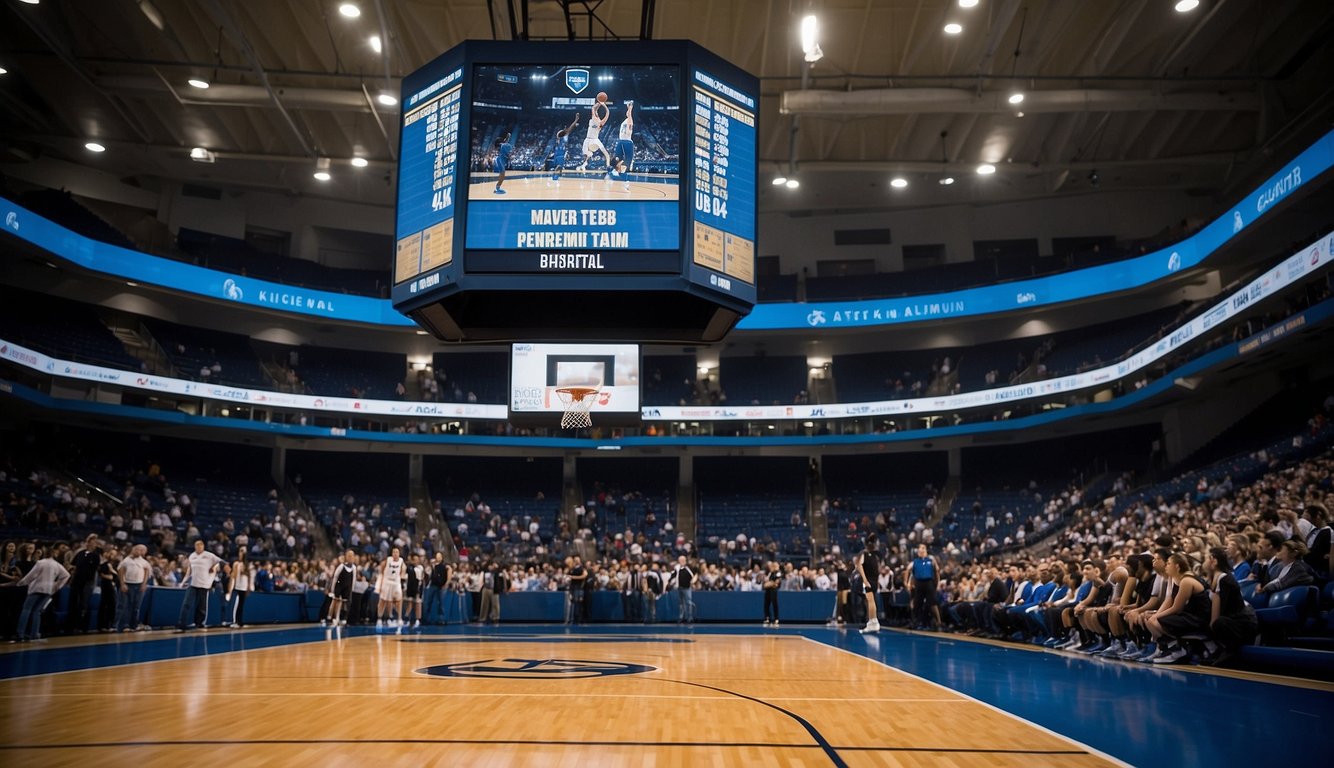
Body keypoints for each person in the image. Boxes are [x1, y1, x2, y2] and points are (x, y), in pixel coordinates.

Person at [1204, 547, 1256, 666]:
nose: (1203, 562)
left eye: (1206, 559)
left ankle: (1229, 651)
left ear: (1214, 561)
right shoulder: (1212, 578)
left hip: (1242, 622)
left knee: (1218, 622)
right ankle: (1215, 650)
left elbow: (1218, 614)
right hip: (1232, 619)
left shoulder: (1223, 578)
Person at [12, 548, 70, 642]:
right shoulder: (56, 564)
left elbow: (32, 575)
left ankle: (20, 634)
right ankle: (34, 634)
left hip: (37, 588)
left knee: (26, 609)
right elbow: (67, 575)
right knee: (37, 612)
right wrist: (56, 586)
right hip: (48, 590)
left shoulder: (40, 562)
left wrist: (20, 583)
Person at [178, 539, 222, 631]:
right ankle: (182, 624)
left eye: (200, 545)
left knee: (202, 606)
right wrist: (183, 582)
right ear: (194, 547)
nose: (198, 547)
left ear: (203, 546)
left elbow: (218, 563)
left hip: (204, 583)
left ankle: (199, 624)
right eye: (196, 545)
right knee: (187, 603)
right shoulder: (192, 556)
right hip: (193, 583)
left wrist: (213, 567)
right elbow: (189, 571)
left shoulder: (209, 555)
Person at [66, 534, 101, 633]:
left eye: (95, 543)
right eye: (91, 542)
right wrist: (72, 570)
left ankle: (82, 626)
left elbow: (95, 569)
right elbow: (72, 564)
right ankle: (70, 626)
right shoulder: (80, 553)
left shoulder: (95, 556)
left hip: (87, 582)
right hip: (76, 581)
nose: (93, 544)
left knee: (83, 604)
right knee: (73, 602)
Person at [905, 543, 940, 630]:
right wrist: (906, 583)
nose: (921, 550)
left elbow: (937, 571)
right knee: (917, 604)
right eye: (920, 548)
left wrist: (937, 583)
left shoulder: (931, 560)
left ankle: (938, 623)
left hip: (929, 583)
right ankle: (915, 622)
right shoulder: (915, 562)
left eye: (923, 548)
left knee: (932, 604)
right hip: (919, 584)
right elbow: (907, 571)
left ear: (926, 550)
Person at [117, 544, 151, 632]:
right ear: (134, 549)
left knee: (136, 606)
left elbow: (147, 572)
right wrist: (122, 583)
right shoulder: (126, 560)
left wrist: (144, 584)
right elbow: (121, 571)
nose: (140, 551)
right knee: (124, 605)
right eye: (139, 549)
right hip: (128, 584)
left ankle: (133, 625)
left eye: (143, 550)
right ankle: (123, 625)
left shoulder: (144, 562)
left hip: (139, 585)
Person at [856, 534, 881, 634]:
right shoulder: (876, 555)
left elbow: (859, 566)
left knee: (870, 601)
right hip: (874, 580)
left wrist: (865, 580)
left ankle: (872, 622)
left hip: (870, 580)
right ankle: (873, 622)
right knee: (872, 601)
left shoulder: (866, 554)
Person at [578, 97, 612, 172]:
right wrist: (600, 103)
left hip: (595, 140)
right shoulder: (593, 118)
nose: (596, 113)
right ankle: (583, 165)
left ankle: (608, 166)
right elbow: (593, 108)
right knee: (587, 154)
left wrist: (605, 106)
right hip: (587, 139)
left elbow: (607, 113)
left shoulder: (600, 123)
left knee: (606, 153)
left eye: (597, 113)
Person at [324, 550, 357, 627]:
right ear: (346, 556)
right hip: (339, 585)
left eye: (352, 556)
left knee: (344, 603)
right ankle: (331, 617)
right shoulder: (341, 566)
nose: (350, 557)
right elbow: (335, 577)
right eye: (349, 556)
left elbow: (353, 579)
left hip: (347, 587)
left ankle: (341, 618)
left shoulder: (354, 568)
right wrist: (333, 588)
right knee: (336, 601)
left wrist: (351, 589)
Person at [377, 547, 407, 628]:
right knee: (383, 600)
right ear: (392, 553)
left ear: (399, 553)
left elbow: (403, 570)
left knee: (399, 600)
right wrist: (380, 582)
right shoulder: (388, 560)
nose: (395, 553)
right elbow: (381, 569)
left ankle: (399, 618)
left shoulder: (401, 561)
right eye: (394, 552)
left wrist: (402, 578)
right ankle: (380, 618)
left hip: (396, 582)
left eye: (397, 552)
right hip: (387, 581)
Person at [95, 545, 121, 632]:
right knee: (104, 605)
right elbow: (103, 575)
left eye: (114, 554)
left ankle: (110, 625)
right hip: (106, 586)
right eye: (111, 554)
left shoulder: (115, 565)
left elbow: (114, 577)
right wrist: (111, 576)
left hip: (112, 587)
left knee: (112, 605)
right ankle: (102, 626)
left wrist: (112, 576)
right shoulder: (104, 565)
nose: (113, 556)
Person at [226, 549, 252, 628]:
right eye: (239, 553)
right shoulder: (236, 564)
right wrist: (230, 588)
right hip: (237, 587)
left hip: (244, 587)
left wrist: (248, 587)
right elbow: (233, 576)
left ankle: (240, 621)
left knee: (241, 605)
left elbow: (248, 577)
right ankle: (234, 621)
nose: (240, 555)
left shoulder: (247, 565)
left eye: (241, 554)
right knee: (236, 604)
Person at [550, 113, 580, 181]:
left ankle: (558, 175)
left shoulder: (561, 136)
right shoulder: (562, 135)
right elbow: (570, 128)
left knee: (560, 166)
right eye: (566, 129)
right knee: (559, 166)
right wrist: (576, 120)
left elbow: (570, 129)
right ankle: (554, 176)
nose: (567, 129)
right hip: (560, 152)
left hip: (559, 151)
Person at [612, 100, 634, 187]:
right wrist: (629, 108)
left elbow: (628, 114)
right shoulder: (628, 121)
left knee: (619, 159)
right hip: (626, 141)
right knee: (627, 160)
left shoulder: (627, 121)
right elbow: (628, 114)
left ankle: (616, 172)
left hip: (622, 141)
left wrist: (629, 108)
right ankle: (624, 180)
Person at [670, 555, 695, 625]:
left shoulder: (688, 568)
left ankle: (689, 618)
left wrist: (691, 583)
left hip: (686, 588)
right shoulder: (677, 568)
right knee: (681, 604)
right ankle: (681, 617)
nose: (681, 562)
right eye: (680, 560)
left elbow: (692, 576)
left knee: (688, 602)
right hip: (679, 588)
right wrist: (671, 581)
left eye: (683, 560)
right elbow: (673, 575)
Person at [405, 553, 425, 628]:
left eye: (417, 559)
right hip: (410, 587)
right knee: (410, 603)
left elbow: (421, 579)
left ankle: (417, 620)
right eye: (414, 560)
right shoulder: (409, 568)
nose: (416, 561)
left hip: (418, 587)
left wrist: (419, 589)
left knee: (418, 604)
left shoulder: (420, 568)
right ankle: (407, 619)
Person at [761, 560, 781, 627]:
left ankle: (776, 618)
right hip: (768, 591)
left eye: (774, 566)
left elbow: (776, 582)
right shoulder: (769, 573)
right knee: (766, 604)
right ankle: (767, 618)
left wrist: (770, 584)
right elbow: (765, 584)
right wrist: (770, 583)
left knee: (774, 604)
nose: (772, 567)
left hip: (773, 591)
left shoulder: (778, 573)